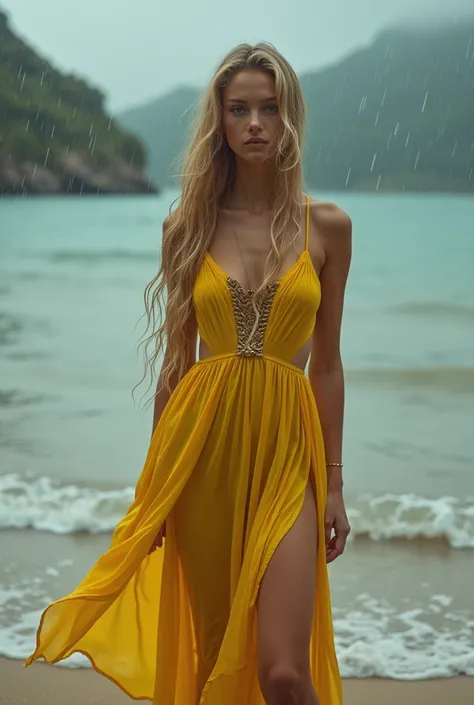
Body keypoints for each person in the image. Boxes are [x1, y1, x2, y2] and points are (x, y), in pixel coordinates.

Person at [25, 42, 352, 705]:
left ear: (291, 118)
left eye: (270, 108)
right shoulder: (187, 226)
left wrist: (337, 486)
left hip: (289, 456)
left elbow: (328, 362)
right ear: (221, 122)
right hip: (200, 458)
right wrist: (157, 487)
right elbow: (177, 364)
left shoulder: (329, 227)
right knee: (210, 663)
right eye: (240, 109)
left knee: (284, 672)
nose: (256, 123)